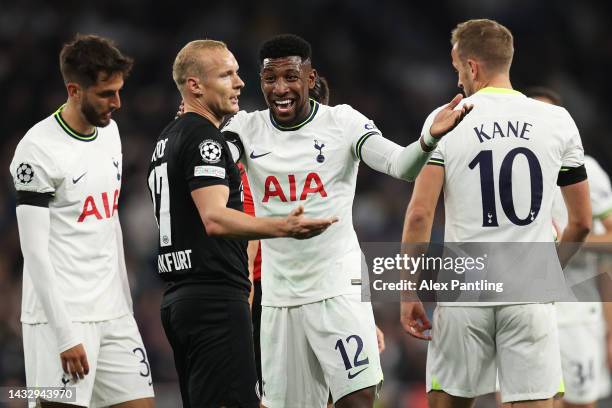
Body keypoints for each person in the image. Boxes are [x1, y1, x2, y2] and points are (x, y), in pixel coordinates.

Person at [221, 33, 471, 407]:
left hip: (338, 288)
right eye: (270, 79)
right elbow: (210, 165)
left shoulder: (343, 123)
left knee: (359, 397)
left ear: (310, 78)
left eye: (290, 77)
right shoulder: (244, 129)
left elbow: (400, 166)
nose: (280, 88)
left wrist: (427, 139)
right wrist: (192, 130)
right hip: (280, 301)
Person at [400, 19, 592, 408]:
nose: (457, 82)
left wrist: (408, 291)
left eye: (457, 70)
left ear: (471, 67)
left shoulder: (448, 118)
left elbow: (420, 214)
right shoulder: (557, 121)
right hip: (528, 293)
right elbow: (582, 222)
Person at [148, 39, 336, 408]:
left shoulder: (166, 138)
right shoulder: (208, 140)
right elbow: (215, 218)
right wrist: (283, 226)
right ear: (195, 86)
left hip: (181, 297)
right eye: (227, 74)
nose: (240, 83)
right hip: (218, 298)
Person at [10, 34, 154, 407]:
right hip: (59, 320)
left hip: (113, 314)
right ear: (74, 90)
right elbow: (34, 252)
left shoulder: (111, 135)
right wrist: (62, 334)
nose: (117, 103)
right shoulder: (37, 149)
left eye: (119, 91)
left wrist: (126, 307)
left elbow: (110, 224)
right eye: (106, 94)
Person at [526, 87, 612, 408]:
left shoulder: (585, 169)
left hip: (577, 313)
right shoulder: (509, 169)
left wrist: (573, 241)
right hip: (525, 309)